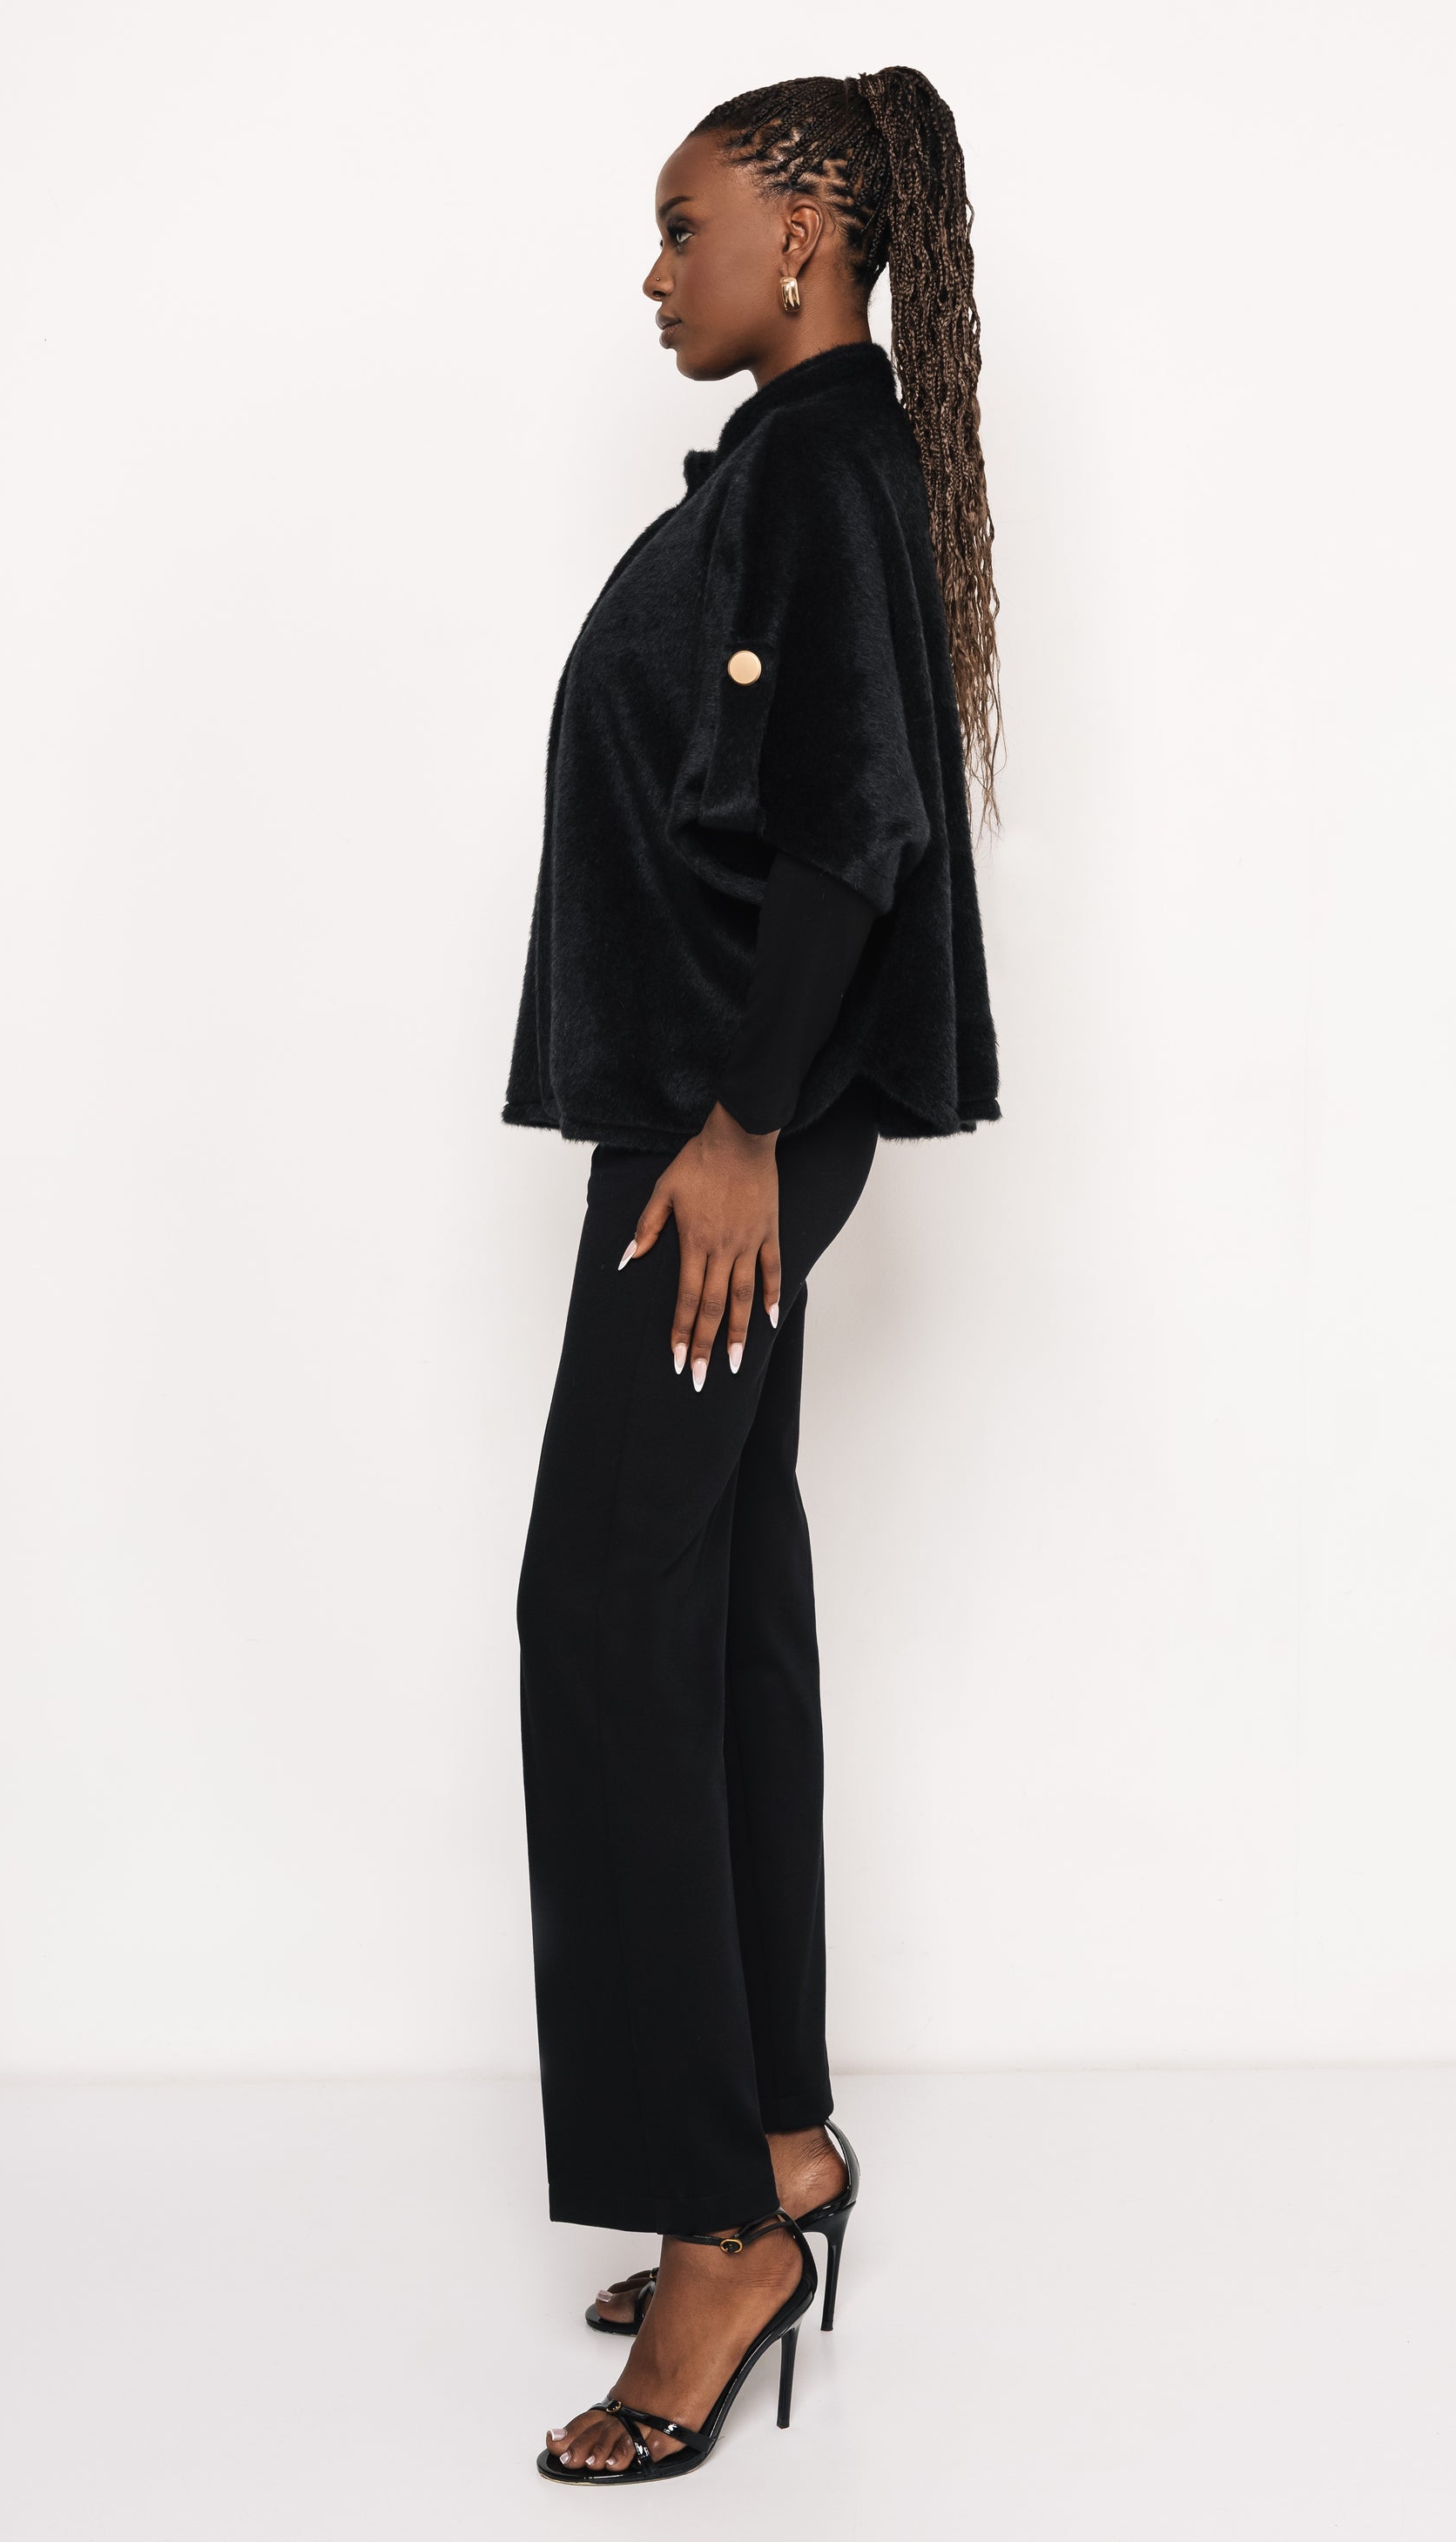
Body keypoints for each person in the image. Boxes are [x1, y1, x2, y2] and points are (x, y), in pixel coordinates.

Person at [502, 66, 1001, 2486]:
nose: (656, 267)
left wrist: (736, 1135)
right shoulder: (810, 460)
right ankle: (777, 2139)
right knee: (709, 1613)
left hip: (727, 1138)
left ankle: (717, 2230)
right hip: (723, 1124)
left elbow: (850, 832)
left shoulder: (817, 467)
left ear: (805, 232)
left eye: (684, 223)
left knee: (601, 1622)